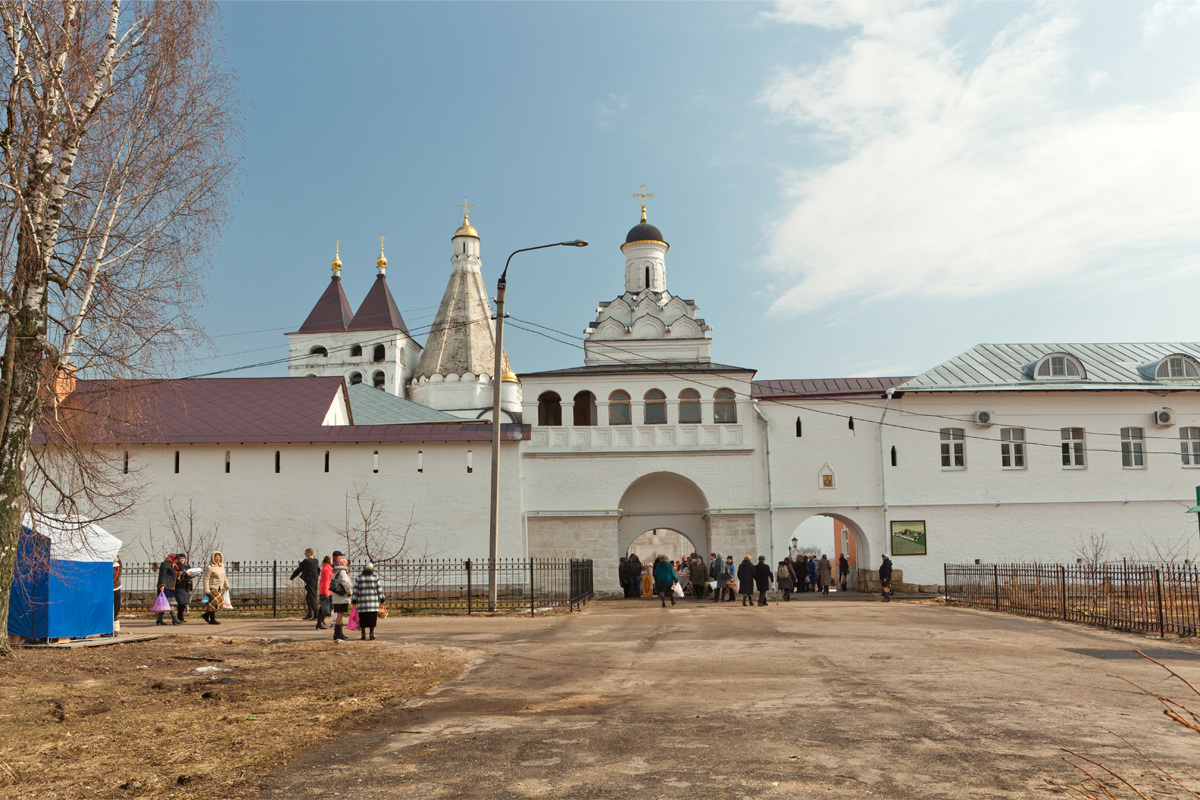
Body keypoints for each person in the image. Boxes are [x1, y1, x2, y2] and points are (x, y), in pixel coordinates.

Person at [351, 562, 386, 641]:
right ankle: (371, 634)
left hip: (362, 603)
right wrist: (382, 599)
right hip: (373, 603)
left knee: (362, 619)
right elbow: (379, 589)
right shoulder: (375, 577)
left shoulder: (359, 577)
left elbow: (355, 589)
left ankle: (363, 634)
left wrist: (354, 600)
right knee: (372, 619)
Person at [200, 551, 230, 625]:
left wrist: (226, 585)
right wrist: (206, 590)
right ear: (213, 558)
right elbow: (206, 579)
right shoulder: (209, 567)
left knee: (219, 603)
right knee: (213, 604)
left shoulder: (221, 566)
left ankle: (206, 615)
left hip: (219, 587)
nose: (217, 558)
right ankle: (212, 619)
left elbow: (224, 577)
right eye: (216, 557)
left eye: (219, 557)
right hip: (212, 588)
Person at [291, 548, 321, 620]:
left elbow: (299, 568)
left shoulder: (306, 561)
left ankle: (317, 614)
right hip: (314, 581)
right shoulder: (316, 561)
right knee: (308, 598)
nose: (305, 554)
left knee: (312, 598)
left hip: (310, 582)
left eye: (306, 553)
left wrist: (292, 577)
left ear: (309, 553)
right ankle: (310, 613)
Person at [330, 552, 352, 641]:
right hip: (342, 598)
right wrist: (350, 592)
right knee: (340, 615)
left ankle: (338, 633)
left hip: (337, 597)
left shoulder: (335, 572)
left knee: (339, 615)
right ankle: (338, 633)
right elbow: (346, 584)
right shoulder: (342, 573)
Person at [156, 553, 179, 625]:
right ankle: (174, 618)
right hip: (165, 587)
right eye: (175, 559)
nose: (176, 561)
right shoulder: (165, 564)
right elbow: (162, 575)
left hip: (171, 586)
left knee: (164, 603)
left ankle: (159, 619)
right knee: (169, 603)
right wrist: (162, 585)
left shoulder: (172, 565)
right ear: (172, 558)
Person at [174, 553, 193, 623]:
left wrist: (194, 574)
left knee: (184, 602)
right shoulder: (177, 565)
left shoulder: (187, 565)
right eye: (180, 558)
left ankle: (181, 617)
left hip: (186, 585)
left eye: (183, 558)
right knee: (180, 602)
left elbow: (190, 573)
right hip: (180, 585)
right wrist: (184, 574)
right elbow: (177, 573)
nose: (182, 560)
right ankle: (179, 617)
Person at [316, 555, 333, 630]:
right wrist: (327, 592)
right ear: (329, 561)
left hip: (326, 591)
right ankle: (319, 623)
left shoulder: (325, 568)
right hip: (326, 591)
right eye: (331, 560)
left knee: (322, 608)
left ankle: (319, 623)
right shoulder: (326, 569)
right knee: (324, 608)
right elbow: (326, 582)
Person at [112, 555, 122, 635]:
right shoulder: (116, 566)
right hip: (113, 588)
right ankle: (113, 629)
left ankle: (115, 629)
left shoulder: (116, 567)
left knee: (115, 609)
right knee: (113, 609)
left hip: (115, 588)